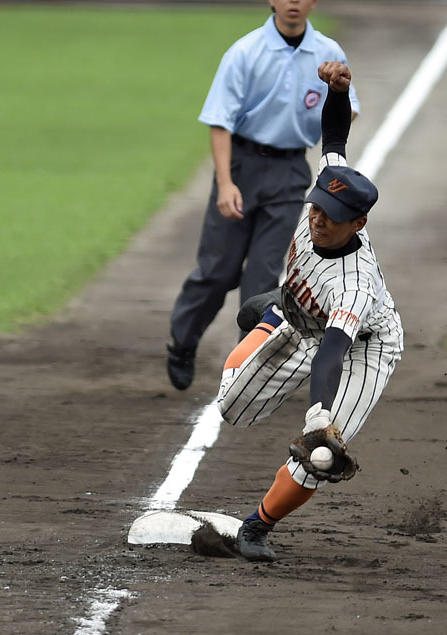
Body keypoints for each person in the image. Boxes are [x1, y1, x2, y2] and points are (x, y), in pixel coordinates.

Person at [216, 61, 403, 562]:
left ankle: (255, 528)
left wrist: (320, 416)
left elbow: (333, 356)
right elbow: (335, 135)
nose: (317, 220)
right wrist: (337, 91)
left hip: (361, 348)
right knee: (232, 407)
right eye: (316, 209)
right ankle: (274, 310)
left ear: (359, 223)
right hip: (302, 318)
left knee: (318, 456)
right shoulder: (325, 191)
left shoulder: (356, 285)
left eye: (332, 218)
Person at [167, 0, 361, 391]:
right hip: (241, 165)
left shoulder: (328, 53)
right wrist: (225, 183)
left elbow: (348, 111)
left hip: (290, 172)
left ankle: (247, 369)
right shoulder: (245, 52)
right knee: (217, 272)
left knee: (263, 278)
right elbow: (220, 123)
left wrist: (334, 91)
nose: (293, 2)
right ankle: (182, 342)